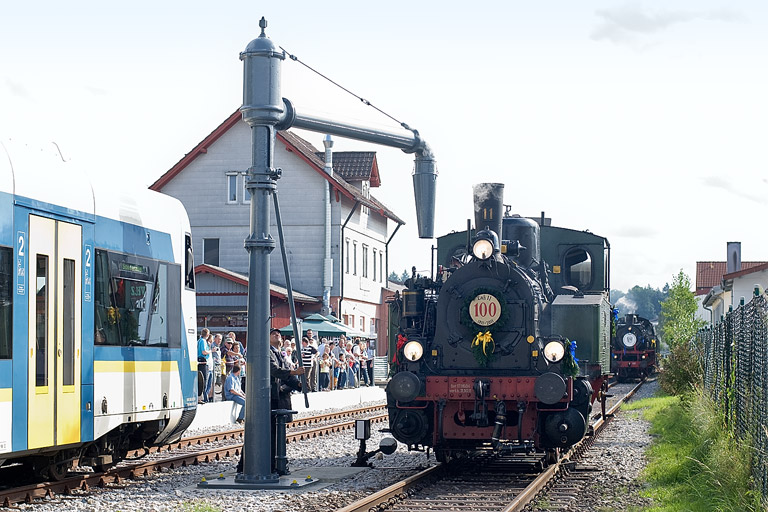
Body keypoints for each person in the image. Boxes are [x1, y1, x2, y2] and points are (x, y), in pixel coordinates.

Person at [197, 328, 212, 403]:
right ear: (207, 334)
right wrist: (211, 351)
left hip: (200, 361)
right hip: (203, 361)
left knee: (202, 380)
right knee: (204, 380)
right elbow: (204, 352)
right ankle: (201, 398)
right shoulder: (203, 341)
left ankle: (200, 397)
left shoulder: (199, 341)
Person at [210, 334, 223, 400]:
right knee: (213, 381)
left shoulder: (218, 346)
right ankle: (211, 397)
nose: (219, 341)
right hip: (214, 365)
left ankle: (213, 396)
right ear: (215, 339)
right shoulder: (213, 345)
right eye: (218, 339)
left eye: (220, 339)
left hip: (218, 365)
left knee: (218, 381)